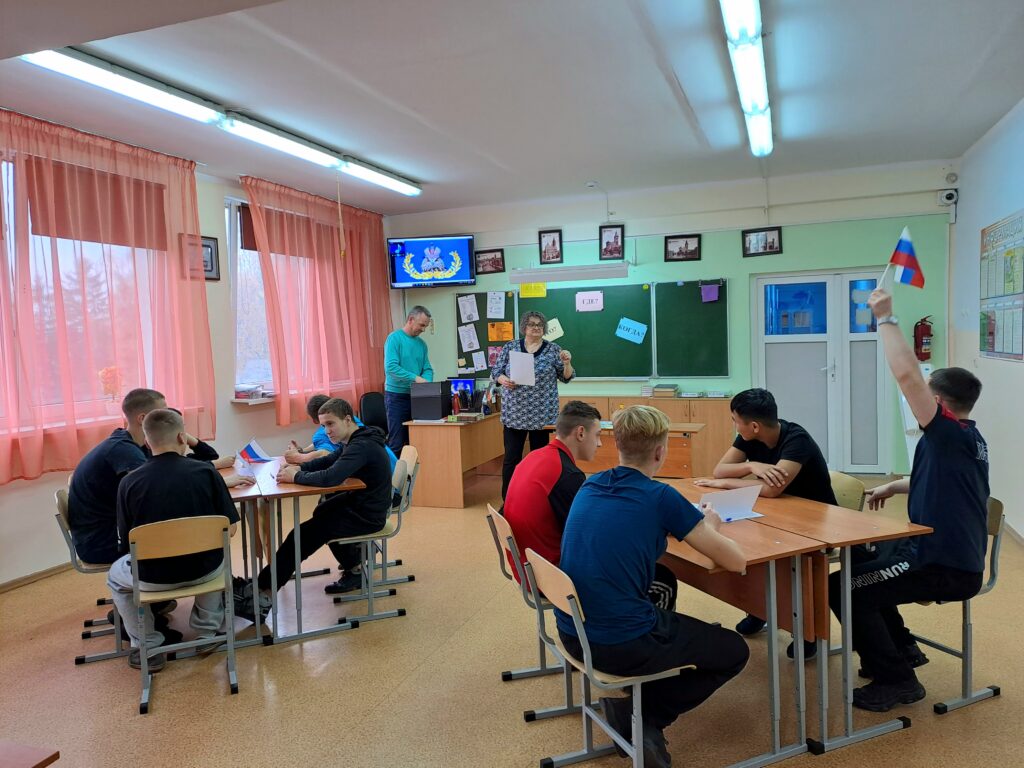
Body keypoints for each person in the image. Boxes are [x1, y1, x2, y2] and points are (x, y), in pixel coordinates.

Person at [555, 406, 749, 768]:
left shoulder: (590, 483)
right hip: (618, 643)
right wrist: (710, 524)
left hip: (573, 632)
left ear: (617, 445)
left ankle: (637, 703)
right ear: (660, 451)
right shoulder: (661, 497)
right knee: (734, 650)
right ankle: (643, 715)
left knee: (663, 581)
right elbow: (736, 562)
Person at [827, 287, 989, 713]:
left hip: (944, 564)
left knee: (841, 589)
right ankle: (901, 648)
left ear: (937, 403)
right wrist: (895, 486)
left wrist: (885, 316)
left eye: (923, 397)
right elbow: (943, 483)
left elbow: (907, 376)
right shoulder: (968, 438)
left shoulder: (947, 432)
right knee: (860, 562)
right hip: (940, 552)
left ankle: (897, 680)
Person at [695, 387, 836, 658]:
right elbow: (720, 470)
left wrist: (726, 484)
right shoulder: (748, 437)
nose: (735, 426)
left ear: (755, 426)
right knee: (748, 547)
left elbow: (772, 489)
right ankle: (759, 609)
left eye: (736, 421)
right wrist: (752, 466)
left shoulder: (797, 439)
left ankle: (807, 631)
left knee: (796, 565)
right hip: (778, 513)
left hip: (815, 521)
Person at [504, 400, 679, 610]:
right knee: (659, 577)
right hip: (552, 578)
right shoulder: (567, 475)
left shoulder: (535, 456)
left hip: (527, 566)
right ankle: (642, 626)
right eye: (597, 435)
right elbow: (594, 538)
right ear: (580, 433)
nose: (599, 443)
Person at [106, 409, 240, 671]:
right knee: (220, 552)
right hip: (205, 572)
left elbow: (126, 544)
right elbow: (230, 530)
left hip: (151, 578)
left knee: (115, 576)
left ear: (147, 442)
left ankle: (147, 645)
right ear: (182, 437)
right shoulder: (206, 472)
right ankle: (206, 633)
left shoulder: (128, 483)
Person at [236, 398, 393, 618]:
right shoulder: (355, 439)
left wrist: (296, 476)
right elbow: (328, 462)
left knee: (301, 536)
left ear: (348, 419)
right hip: (360, 505)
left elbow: (331, 477)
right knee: (321, 511)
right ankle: (353, 564)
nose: (327, 431)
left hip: (367, 515)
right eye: (323, 425)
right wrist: (297, 468)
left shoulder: (361, 445)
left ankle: (263, 593)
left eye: (331, 424)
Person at [69, 388, 166, 565]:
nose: (168, 418)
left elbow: (164, 471)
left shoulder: (132, 443)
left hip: (108, 531)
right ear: (143, 418)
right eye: (162, 413)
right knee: (182, 533)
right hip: (99, 543)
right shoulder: (123, 450)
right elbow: (155, 489)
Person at [490, 311, 575, 499]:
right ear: (524, 327)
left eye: (539, 324)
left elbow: (566, 377)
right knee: (511, 459)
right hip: (514, 414)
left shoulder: (553, 349)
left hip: (542, 415)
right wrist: (504, 380)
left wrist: (567, 363)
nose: (536, 327)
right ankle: (508, 500)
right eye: (531, 324)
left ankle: (536, 499)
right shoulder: (511, 347)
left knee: (539, 461)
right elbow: (496, 372)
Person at [284, 394, 398, 472]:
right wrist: (303, 451)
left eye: (330, 424)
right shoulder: (352, 421)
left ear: (315, 420)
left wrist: (299, 458)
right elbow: (322, 446)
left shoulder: (325, 434)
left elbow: (325, 454)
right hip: (393, 473)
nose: (327, 431)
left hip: (387, 489)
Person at [384, 306, 434, 455]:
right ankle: (393, 471)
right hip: (397, 397)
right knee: (397, 443)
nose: (423, 329)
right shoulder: (394, 339)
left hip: (417, 397)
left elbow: (427, 368)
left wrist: (426, 382)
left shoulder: (422, 344)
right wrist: (416, 378)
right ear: (411, 320)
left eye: (425, 326)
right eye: (422, 325)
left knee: (416, 441)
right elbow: (391, 367)